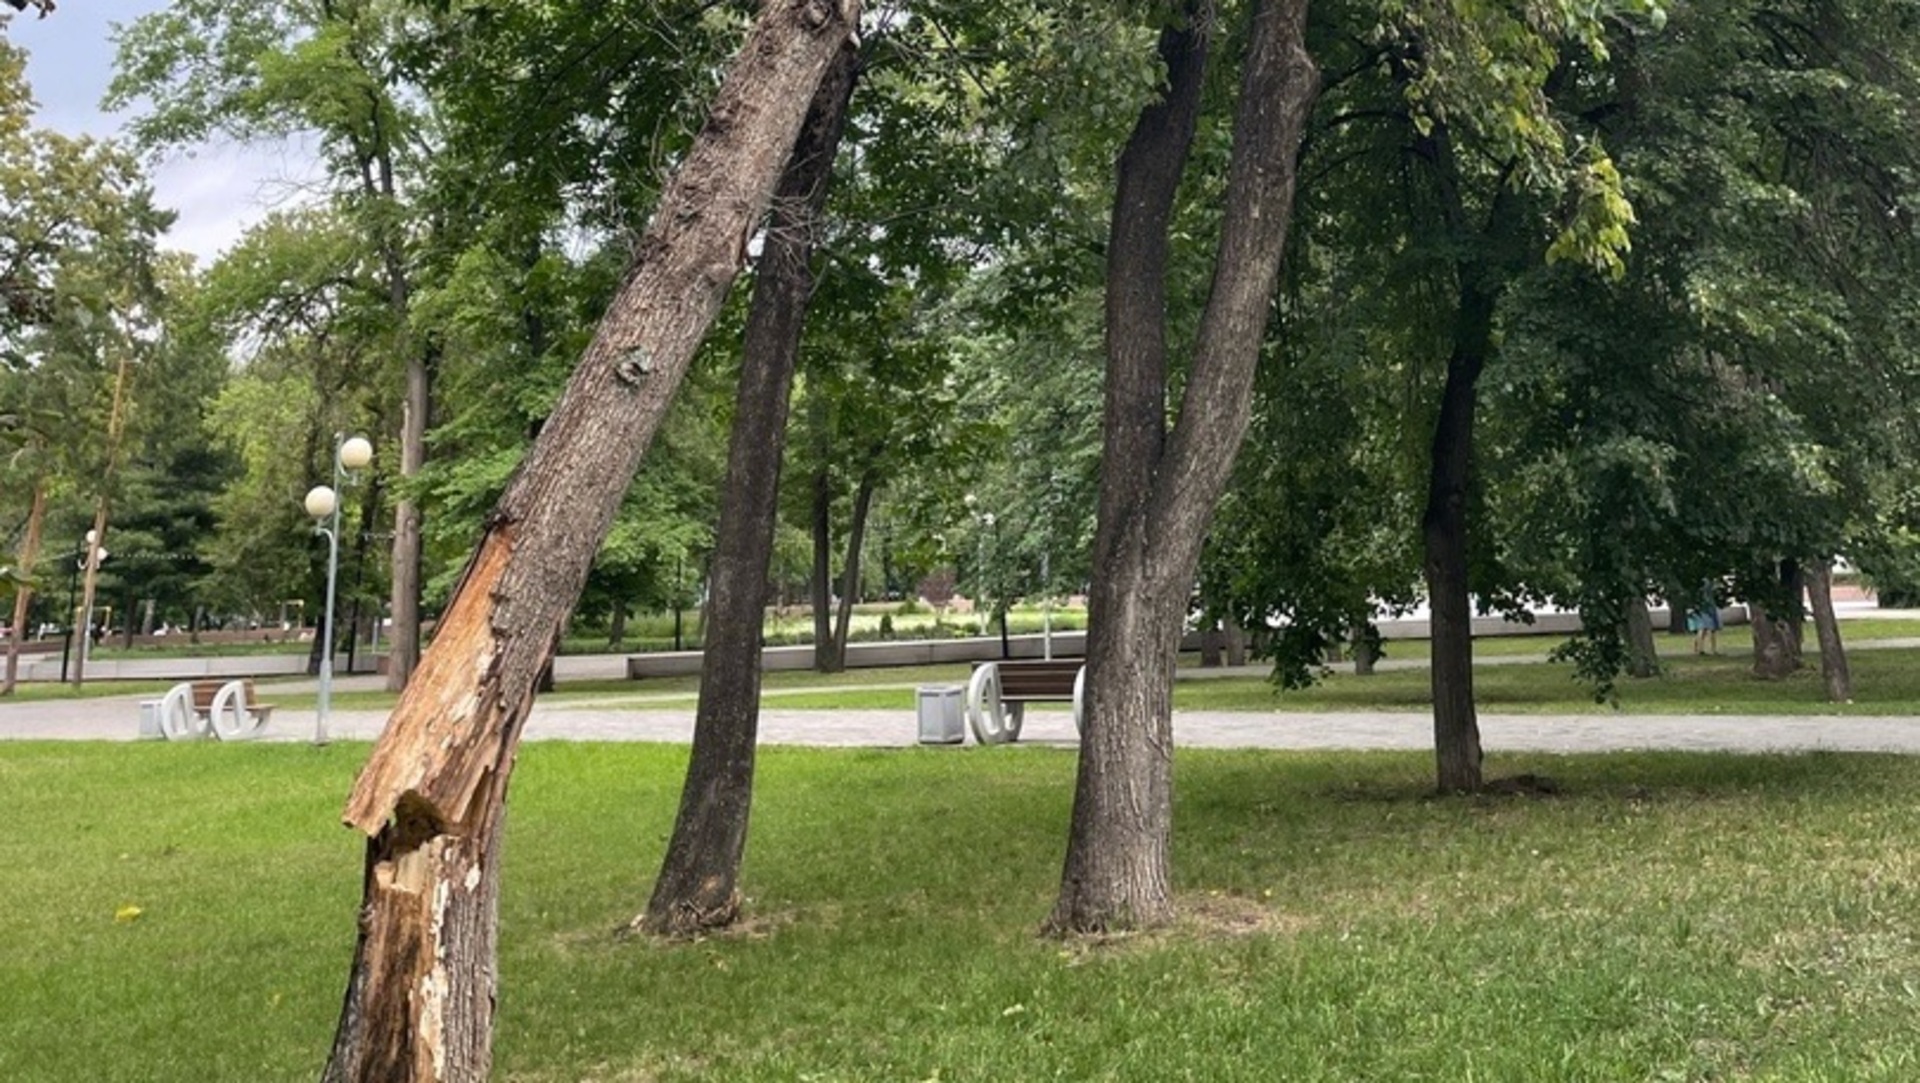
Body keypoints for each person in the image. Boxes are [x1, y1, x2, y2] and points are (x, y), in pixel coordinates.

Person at [1688, 582, 1722, 655]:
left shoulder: (1695, 583)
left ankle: (1698, 649)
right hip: (1708, 607)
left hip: (1700, 607)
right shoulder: (1708, 582)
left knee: (1701, 629)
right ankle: (1712, 649)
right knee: (1710, 629)